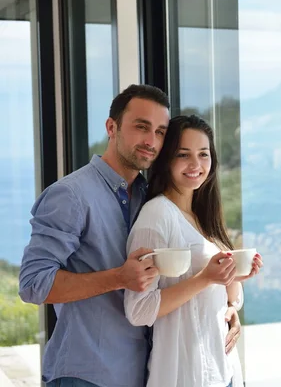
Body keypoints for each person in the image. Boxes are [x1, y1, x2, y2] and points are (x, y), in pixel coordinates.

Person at [18, 84, 171, 387]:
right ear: (111, 127)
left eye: (160, 132)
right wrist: (119, 278)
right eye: (141, 127)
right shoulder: (70, 195)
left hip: (142, 374)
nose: (151, 141)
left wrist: (226, 308)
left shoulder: (151, 198)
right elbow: (33, 285)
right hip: (85, 375)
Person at [124, 114, 263, 387]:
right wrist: (206, 279)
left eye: (203, 154)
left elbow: (224, 300)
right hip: (186, 375)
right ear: (166, 160)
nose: (196, 165)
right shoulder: (156, 216)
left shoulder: (203, 217)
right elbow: (138, 310)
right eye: (183, 155)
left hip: (224, 371)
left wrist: (233, 278)